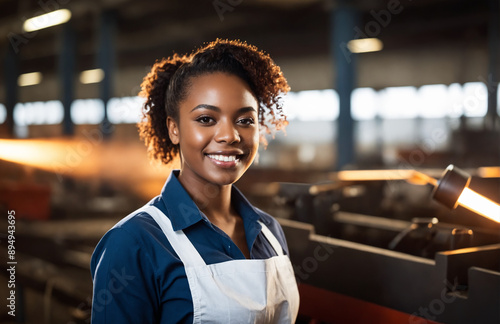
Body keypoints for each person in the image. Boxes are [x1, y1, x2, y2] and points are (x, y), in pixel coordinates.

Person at [90, 39, 300, 323]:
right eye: (206, 119)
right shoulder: (133, 243)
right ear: (174, 129)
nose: (230, 136)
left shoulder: (269, 232)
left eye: (245, 120)